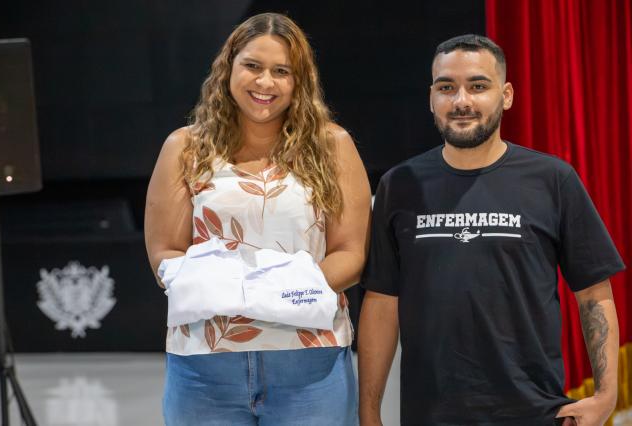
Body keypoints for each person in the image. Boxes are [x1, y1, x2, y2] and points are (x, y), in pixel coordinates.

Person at [358, 34, 624, 426]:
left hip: (534, 413)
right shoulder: (399, 185)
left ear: (507, 95)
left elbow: (594, 295)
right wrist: (368, 413)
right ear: (431, 98)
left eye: (478, 86)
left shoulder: (552, 179)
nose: (461, 101)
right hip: (431, 415)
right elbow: (381, 303)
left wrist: (606, 396)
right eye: (446, 87)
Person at [144, 13, 370, 426]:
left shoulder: (332, 145)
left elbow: (350, 254)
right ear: (228, 67)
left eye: (281, 71)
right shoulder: (184, 148)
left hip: (309, 361)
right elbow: (166, 254)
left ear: (299, 81)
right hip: (203, 363)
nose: (265, 82)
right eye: (252, 66)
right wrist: (246, 293)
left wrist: (266, 295)